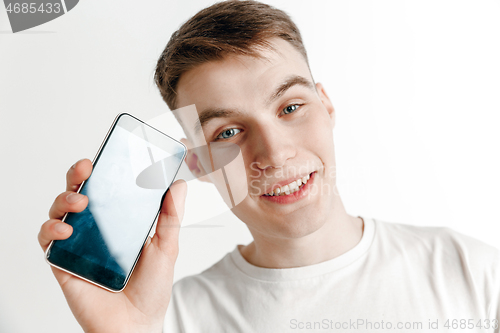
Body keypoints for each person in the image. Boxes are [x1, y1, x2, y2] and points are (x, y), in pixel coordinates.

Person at [39, 1, 500, 332]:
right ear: (197, 163)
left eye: (290, 107)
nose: (276, 154)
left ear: (327, 105)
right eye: (227, 132)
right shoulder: (170, 319)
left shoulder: (472, 273)